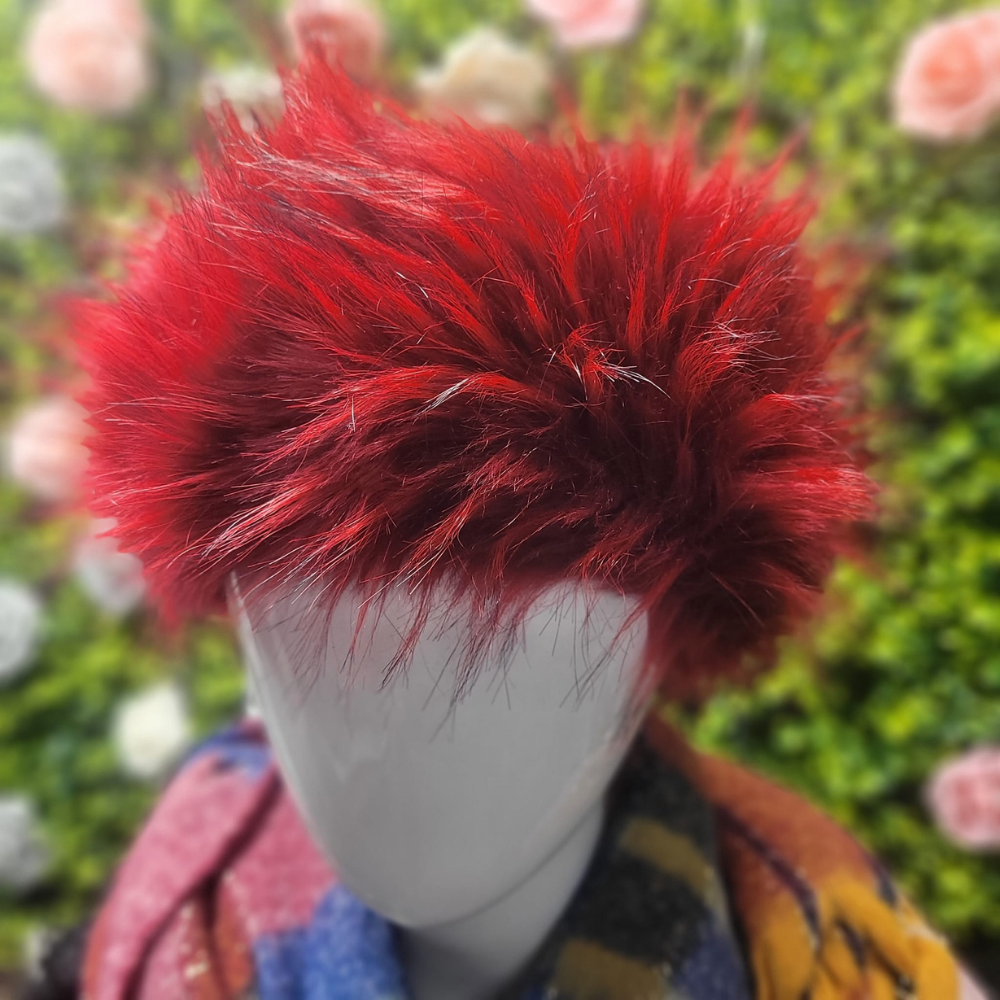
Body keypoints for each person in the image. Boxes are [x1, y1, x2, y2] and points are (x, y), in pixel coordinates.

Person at [76, 62, 966, 999]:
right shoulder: (175, 921)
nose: (392, 744)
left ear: (654, 665)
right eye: (309, 643)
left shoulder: (835, 952)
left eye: (523, 646)